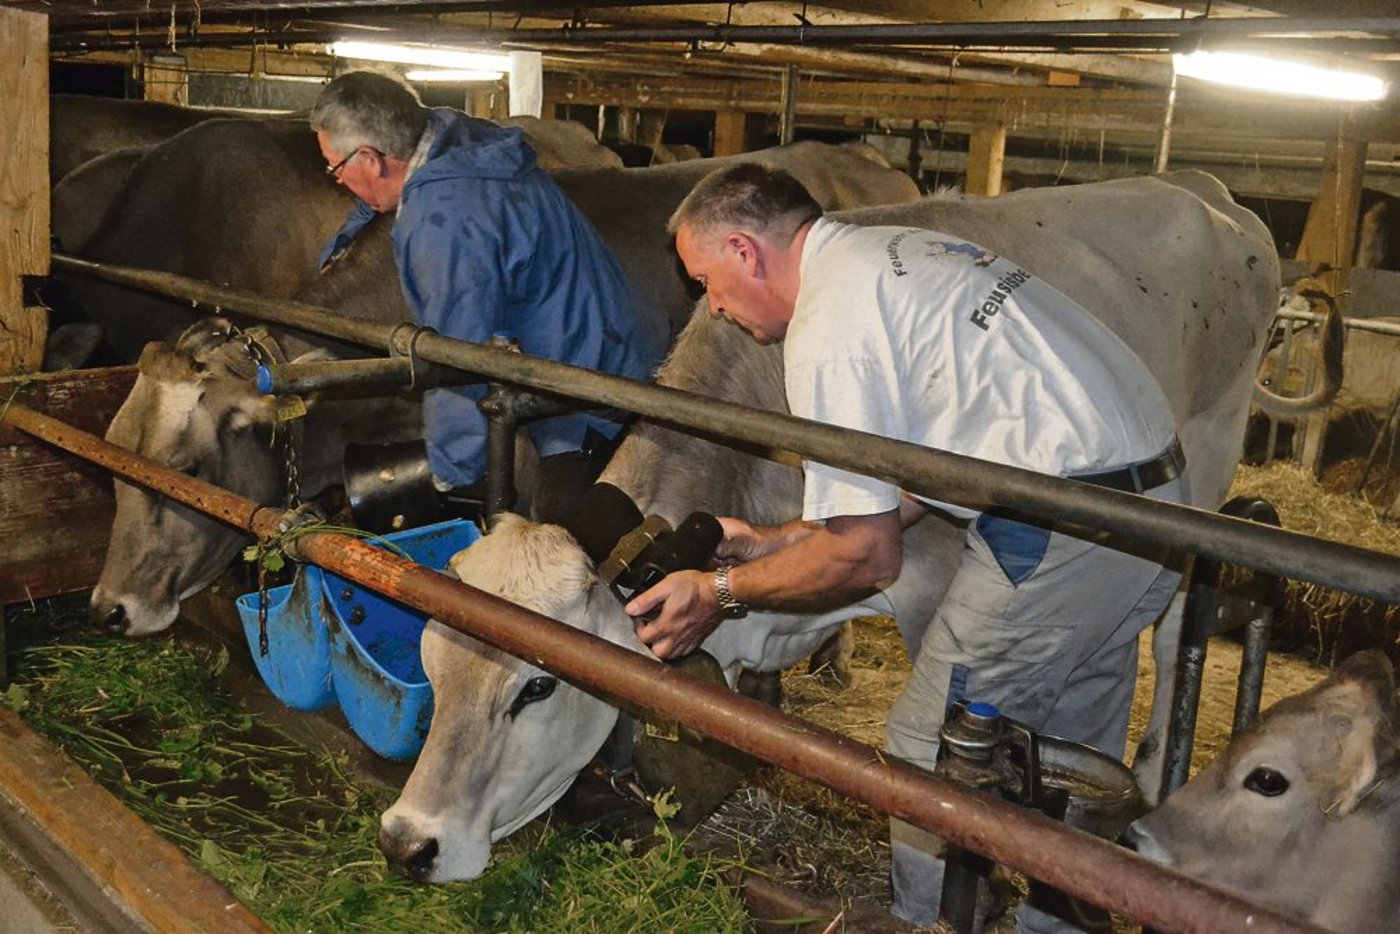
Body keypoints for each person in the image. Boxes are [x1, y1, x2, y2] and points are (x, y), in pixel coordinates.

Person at [624, 163, 1186, 931]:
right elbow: (922, 467)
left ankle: (932, 925)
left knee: (925, 750)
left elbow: (866, 557)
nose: (713, 308)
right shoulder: (889, 256)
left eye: (708, 281)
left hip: (1065, 524)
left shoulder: (830, 326)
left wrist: (718, 595)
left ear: (745, 251)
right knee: (1070, 754)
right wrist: (775, 540)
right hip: (1155, 505)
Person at [310, 71, 668, 525]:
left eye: (336, 169)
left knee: (557, 526)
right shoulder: (452, 136)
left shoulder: (443, 225)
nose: (337, 181)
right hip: (619, 326)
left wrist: (448, 475)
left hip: (595, 378)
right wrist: (346, 237)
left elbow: (458, 355)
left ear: (371, 157)